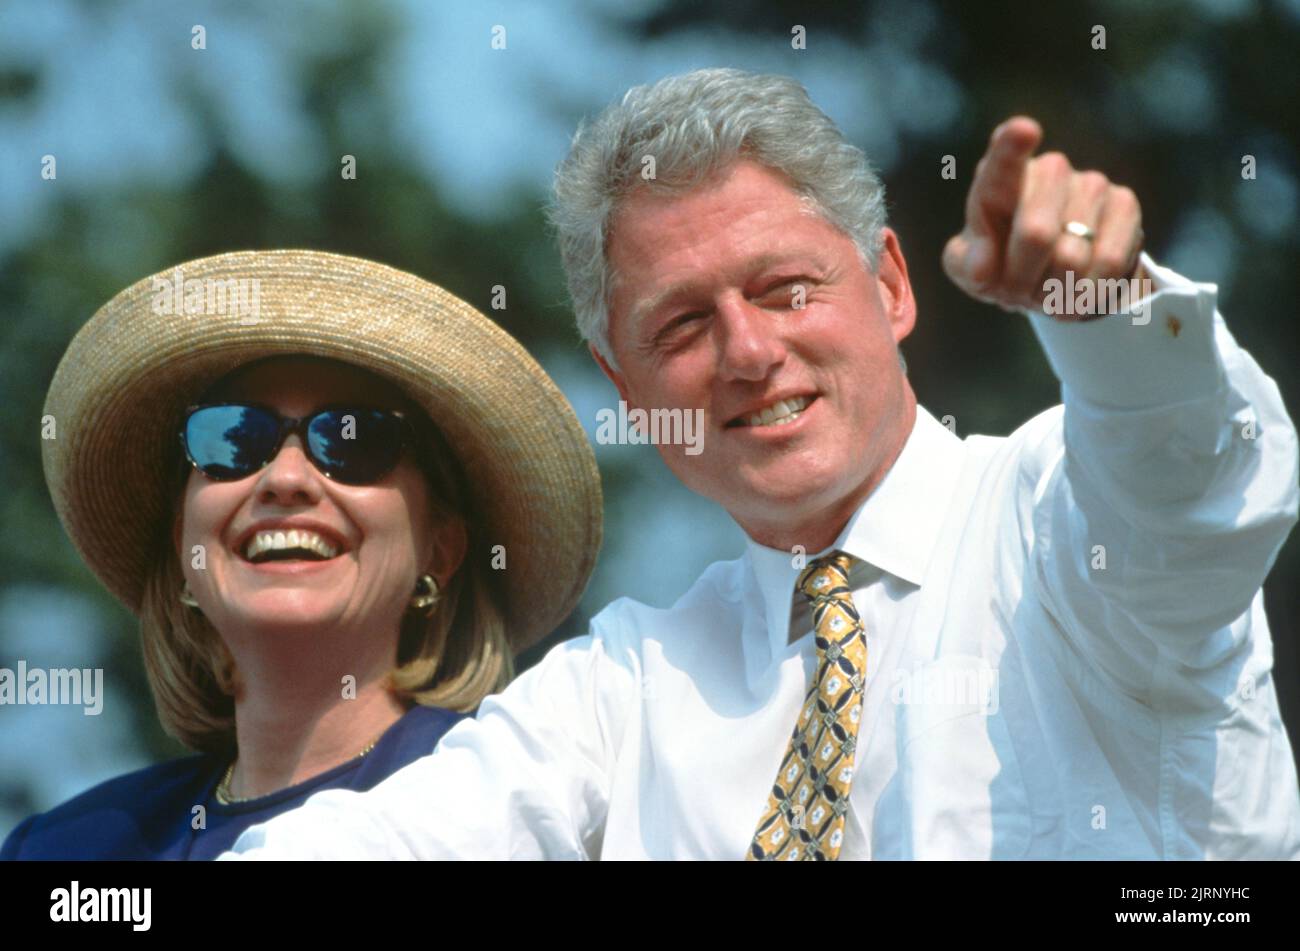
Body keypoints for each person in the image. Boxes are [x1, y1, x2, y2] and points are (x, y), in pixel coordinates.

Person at [222, 69, 1299, 860]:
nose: (747, 352)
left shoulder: (1053, 517)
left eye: (786, 289)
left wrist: (1105, 311)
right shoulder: (627, 683)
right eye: (682, 327)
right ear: (629, 392)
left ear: (888, 286)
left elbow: (1193, 489)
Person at [1, 249, 601, 859]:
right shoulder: (66, 848)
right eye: (233, 437)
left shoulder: (514, 804)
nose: (286, 478)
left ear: (441, 551)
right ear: (184, 547)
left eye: (353, 438)